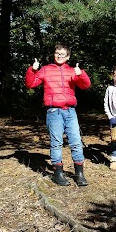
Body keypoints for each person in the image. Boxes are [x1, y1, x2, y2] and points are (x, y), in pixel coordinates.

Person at [25, 44, 91, 186]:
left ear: (68, 57)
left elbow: (85, 85)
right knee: (56, 143)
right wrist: (32, 70)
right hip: (54, 111)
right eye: (57, 53)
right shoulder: (46, 70)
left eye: (63, 54)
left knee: (76, 142)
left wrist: (81, 74)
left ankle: (79, 173)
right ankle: (58, 174)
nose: (60, 56)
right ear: (54, 55)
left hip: (70, 111)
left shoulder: (72, 71)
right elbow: (30, 84)